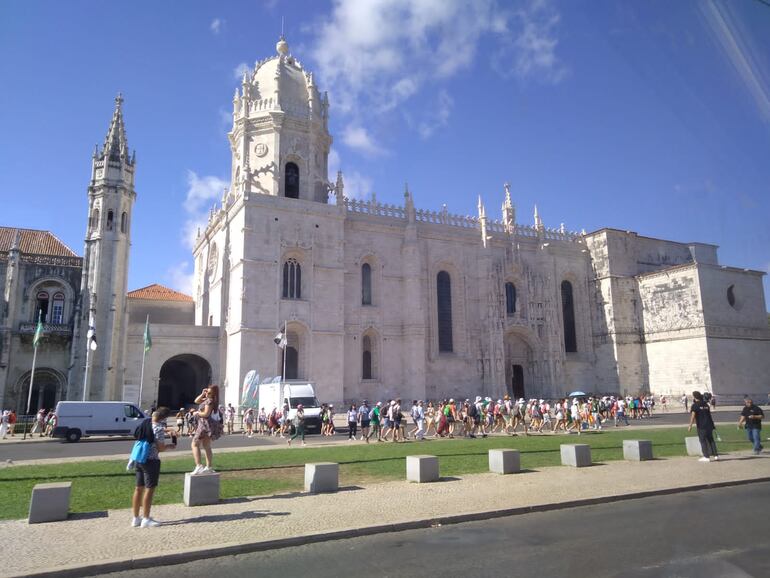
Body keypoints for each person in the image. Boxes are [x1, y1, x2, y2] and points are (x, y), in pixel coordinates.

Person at [131, 407, 176, 528]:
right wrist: (169, 446)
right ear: (164, 418)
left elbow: (152, 429)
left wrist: (166, 430)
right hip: (151, 461)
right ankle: (146, 519)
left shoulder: (145, 423)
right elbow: (160, 448)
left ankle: (135, 518)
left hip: (139, 458)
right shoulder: (159, 429)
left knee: (138, 488)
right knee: (149, 489)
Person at [190, 385, 224, 474]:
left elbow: (206, 414)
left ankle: (199, 465)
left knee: (195, 444)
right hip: (209, 426)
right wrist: (202, 394)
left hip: (204, 425)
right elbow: (196, 401)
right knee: (206, 445)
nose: (207, 394)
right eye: (207, 392)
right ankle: (208, 466)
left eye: (209, 392)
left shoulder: (209, 401)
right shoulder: (211, 400)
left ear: (213, 393)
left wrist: (196, 413)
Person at [688, 390, 718, 462]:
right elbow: (709, 415)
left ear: (695, 397)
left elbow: (693, 416)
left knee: (703, 441)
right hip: (709, 424)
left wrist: (690, 425)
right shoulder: (706, 404)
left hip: (701, 426)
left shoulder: (695, 405)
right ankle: (716, 455)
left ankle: (706, 456)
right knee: (711, 440)